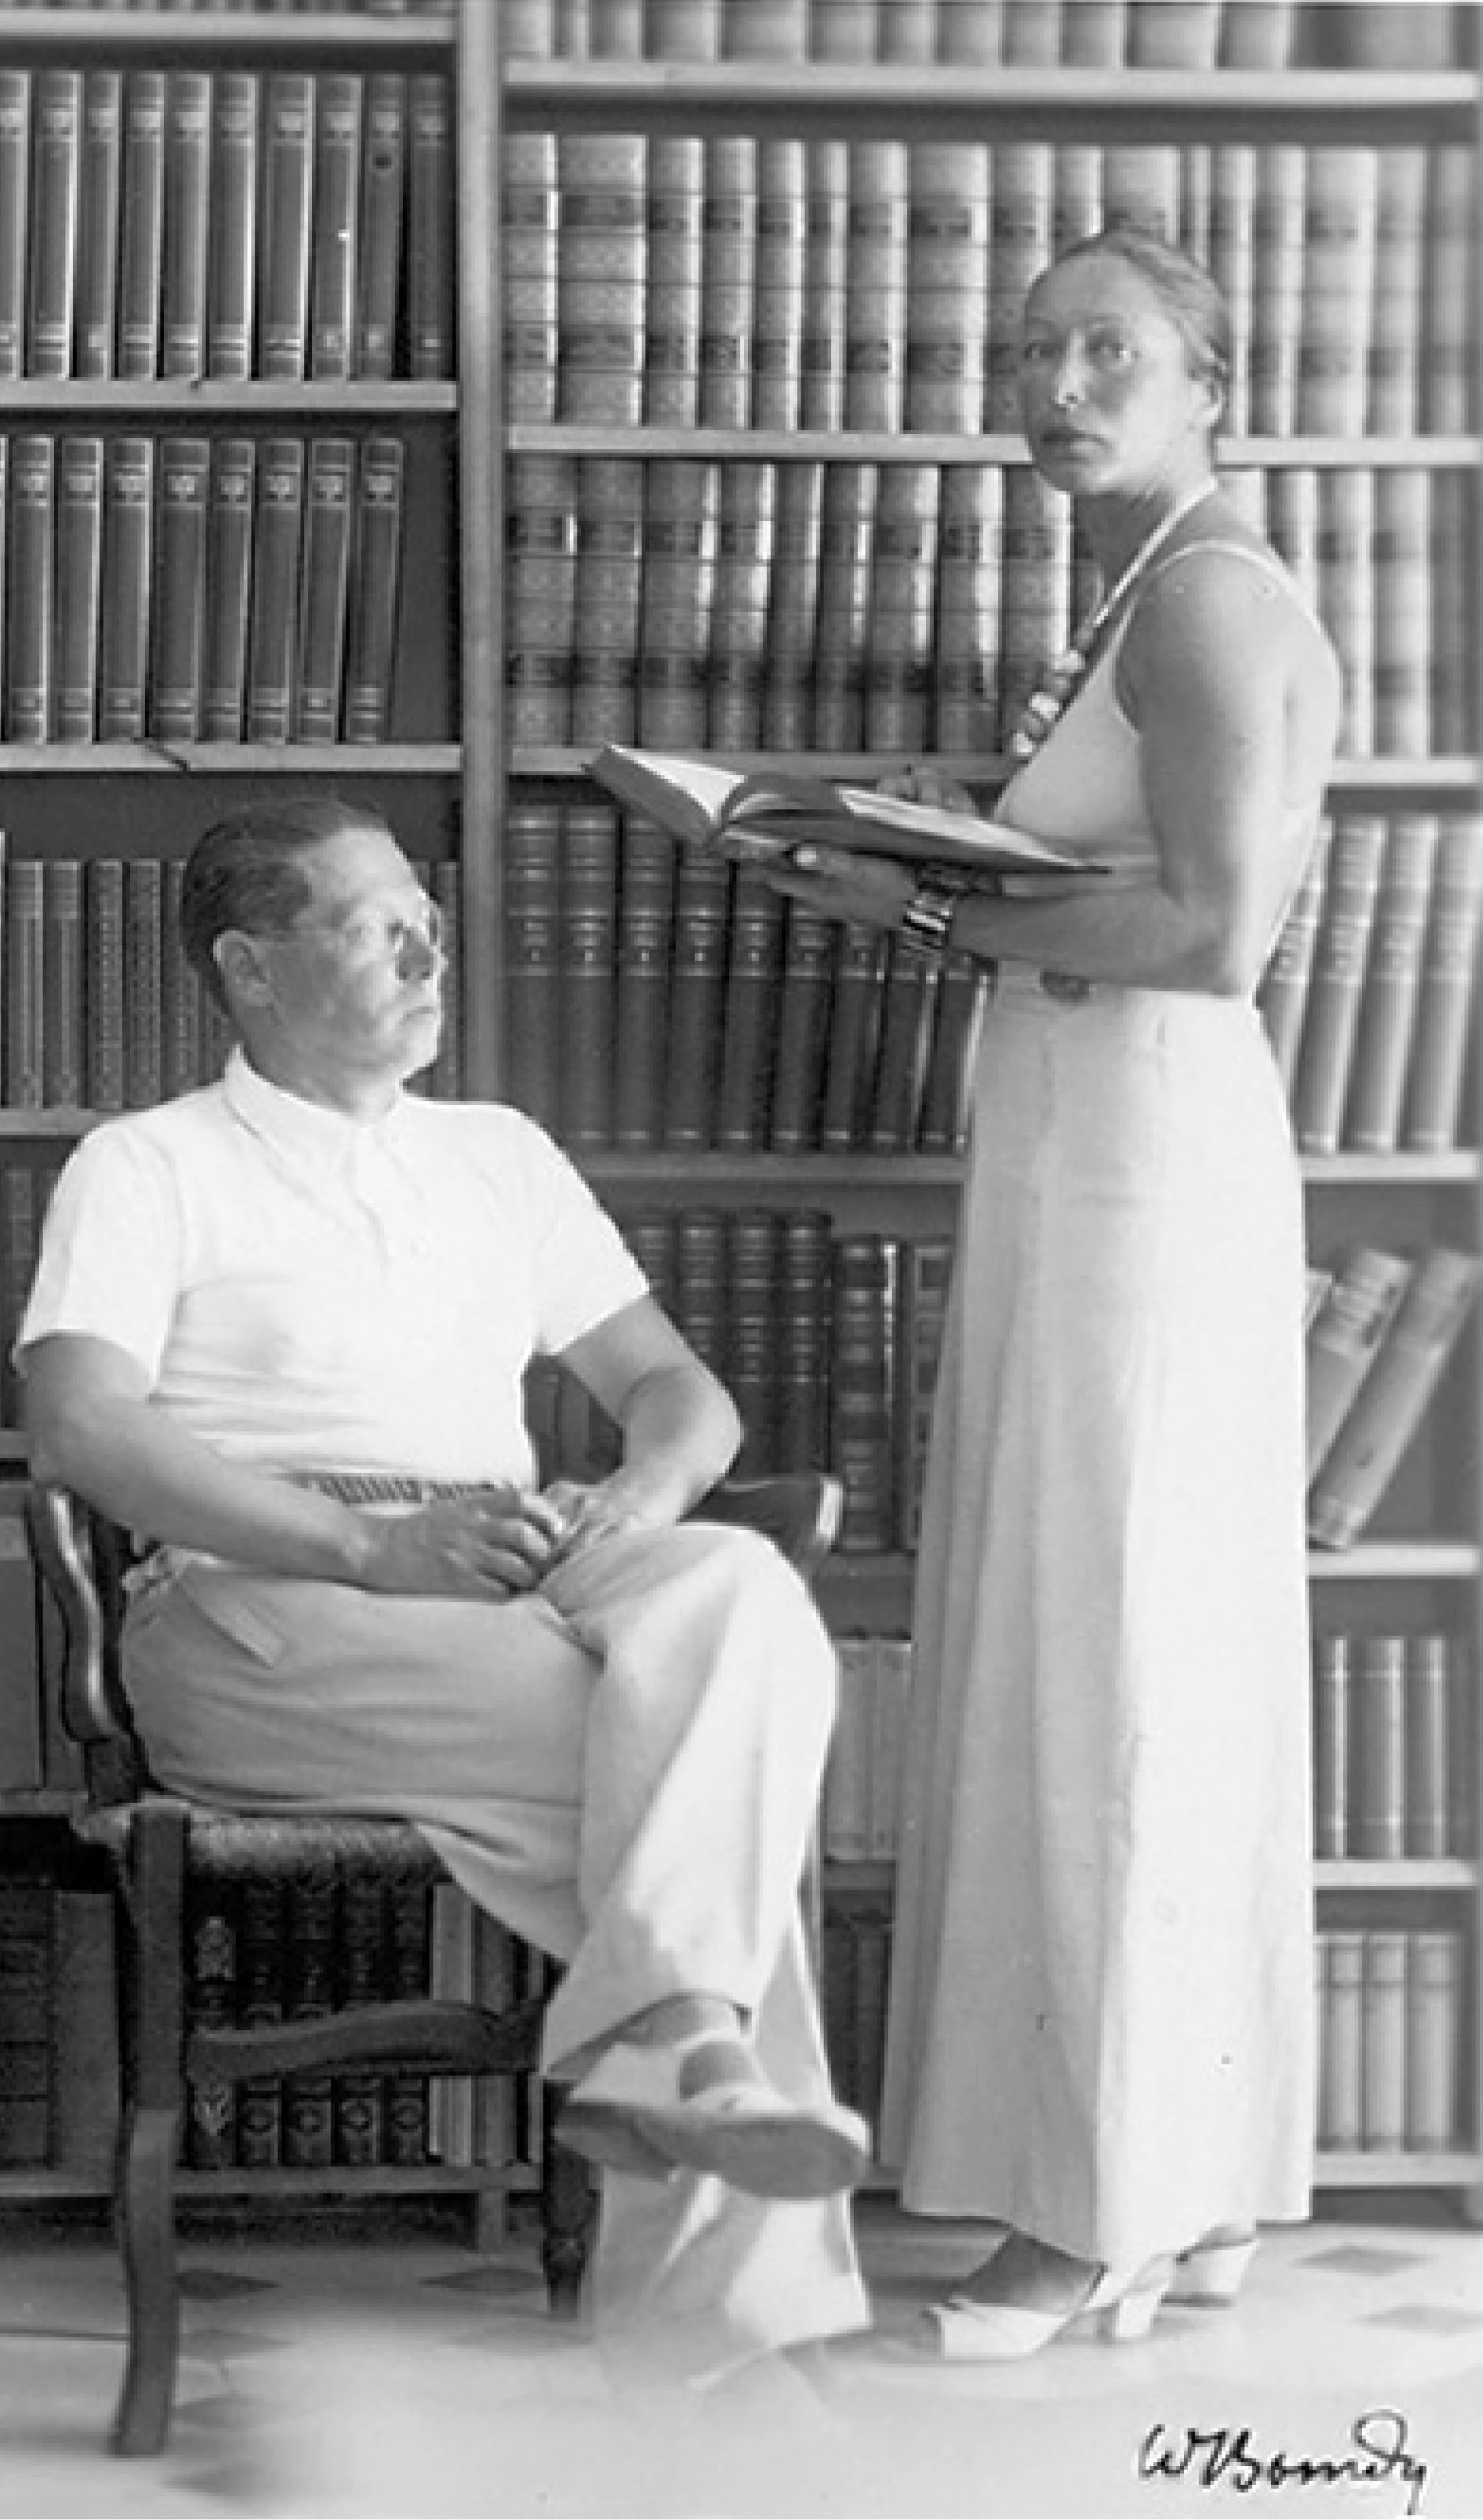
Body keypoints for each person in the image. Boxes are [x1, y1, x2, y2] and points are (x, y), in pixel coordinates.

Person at [17, 795, 871, 2393]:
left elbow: (681, 1394)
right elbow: (78, 1423)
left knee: (733, 1599)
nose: (427, 948)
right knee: (698, 1766)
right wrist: (367, 1550)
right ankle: (722, 2302)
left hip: (511, 1569)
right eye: (370, 923)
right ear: (250, 968)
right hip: (261, 1599)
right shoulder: (147, 1165)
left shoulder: (500, 1156)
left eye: (424, 910)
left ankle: (675, 2061)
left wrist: (624, 1506)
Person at [766, 228, 1341, 2358]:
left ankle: (1081, 2216)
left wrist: (914, 908)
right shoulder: (1138, 591)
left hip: (1146, 1167)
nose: (1053, 383)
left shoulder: (1203, 596)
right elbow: (1100, 891)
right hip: (1084, 1146)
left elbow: (1202, 933)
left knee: (1115, 1658)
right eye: (1027, 354)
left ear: (1210, 374)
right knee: (1122, 1653)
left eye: (1104, 349)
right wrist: (919, 868)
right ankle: (1181, 2194)